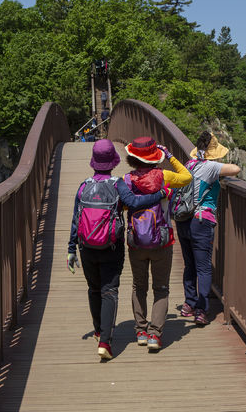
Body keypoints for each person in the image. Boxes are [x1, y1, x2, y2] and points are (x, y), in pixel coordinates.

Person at [67, 139, 166, 360]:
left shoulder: (84, 185)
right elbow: (134, 203)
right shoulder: (117, 183)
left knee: (94, 289)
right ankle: (105, 342)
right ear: (113, 162)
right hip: (111, 246)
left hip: (86, 247)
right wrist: (159, 195)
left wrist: (71, 248)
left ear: (93, 162)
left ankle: (97, 330)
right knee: (109, 291)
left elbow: (75, 219)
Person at [123, 137, 192, 351]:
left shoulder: (126, 180)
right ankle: (155, 336)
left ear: (132, 157)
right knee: (161, 288)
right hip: (162, 240)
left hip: (136, 241)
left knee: (138, 286)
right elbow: (187, 177)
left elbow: (124, 207)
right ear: (156, 157)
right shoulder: (165, 177)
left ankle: (141, 331)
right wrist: (170, 156)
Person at [175, 131, 240, 325]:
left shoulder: (189, 164)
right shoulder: (211, 167)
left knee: (190, 264)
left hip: (183, 218)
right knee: (203, 267)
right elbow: (235, 169)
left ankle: (189, 303)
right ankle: (201, 310)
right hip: (201, 220)